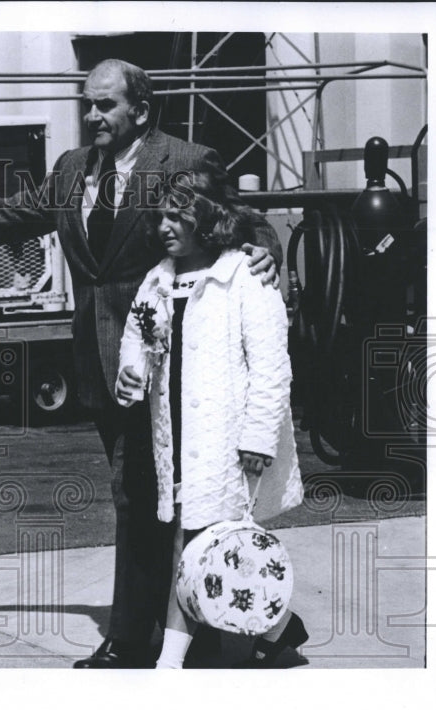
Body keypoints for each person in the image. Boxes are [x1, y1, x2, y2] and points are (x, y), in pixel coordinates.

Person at [0, 58, 282, 668]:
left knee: (144, 492)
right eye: (88, 103)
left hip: (167, 367)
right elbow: (18, 212)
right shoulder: (73, 169)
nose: (92, 115)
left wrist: (266, 254)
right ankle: (235, 619)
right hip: (101, 360)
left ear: (141, 109)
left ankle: (135, 638)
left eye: (105, 105)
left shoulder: (184, 161)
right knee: (158, 495)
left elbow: (244, 221)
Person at [115, 168, 306, 668]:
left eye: (179, 216)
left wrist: (259, 437)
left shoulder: (245, 276)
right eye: (161, 217)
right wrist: (129, 375)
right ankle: (281, 626)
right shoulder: (157, 280)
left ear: (211, 219)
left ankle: (170, 664)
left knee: (195, 541)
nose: (165, 226)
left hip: (227, 438)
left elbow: (271, 367)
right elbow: (135, 342)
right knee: (215, 547)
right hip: (175, 436)